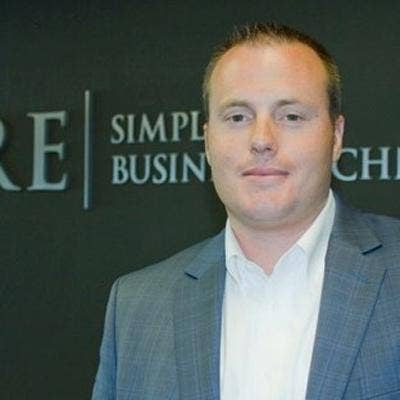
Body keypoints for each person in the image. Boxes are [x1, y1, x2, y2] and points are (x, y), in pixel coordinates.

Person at [92, 23, 400, 400]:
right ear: (207, 140)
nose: (261, 140)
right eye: (238, 117)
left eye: (291, 116)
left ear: (336, 137)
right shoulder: (137, 307)